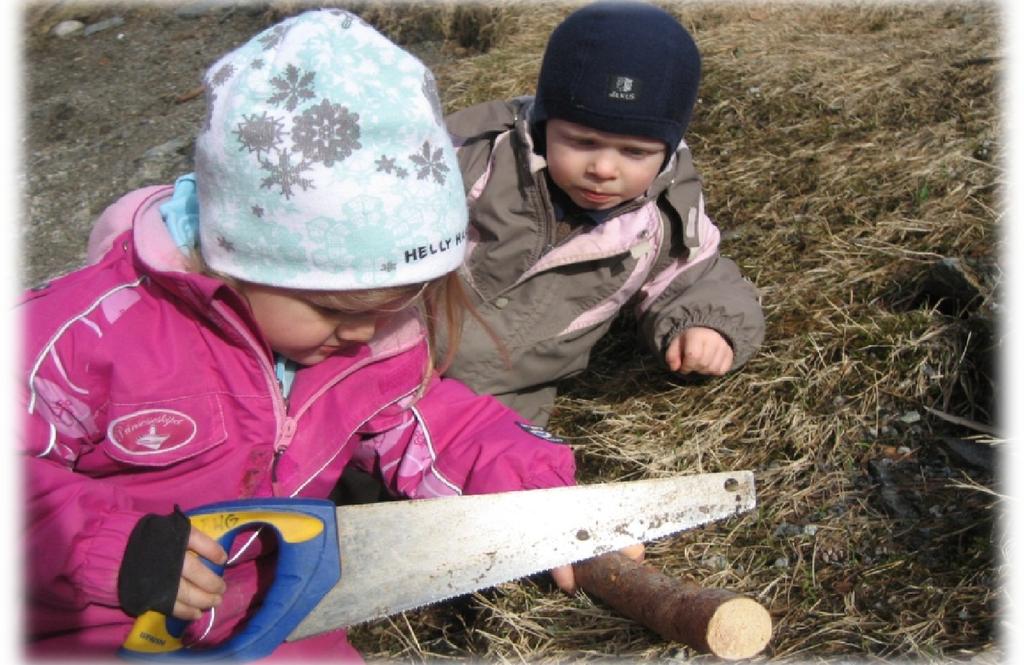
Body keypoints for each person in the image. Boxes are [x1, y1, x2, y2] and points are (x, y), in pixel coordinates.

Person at [20, 10, 588, 660]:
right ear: (241, 256)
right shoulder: (90, 331)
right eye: (332, 308)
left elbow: (428, 421)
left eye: (392, 307)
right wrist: (107, 545)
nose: (362, 334)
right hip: (90, 620)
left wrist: (534, 491)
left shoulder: (368, 336)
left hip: (273, 616)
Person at [440, 1, 766, 425]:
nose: (604, 170)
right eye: (582, 142)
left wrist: (706, 325)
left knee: (496, 478)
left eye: (635, 152)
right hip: (380, 355)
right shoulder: (473, 157)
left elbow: (695, 277)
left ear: (666, 150)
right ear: (544, 123)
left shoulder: (663, 217)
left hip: (499, 396)